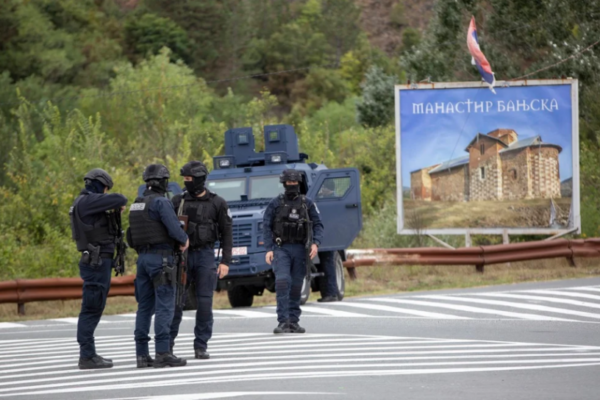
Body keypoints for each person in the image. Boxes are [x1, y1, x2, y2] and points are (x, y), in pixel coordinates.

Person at [128, 164, 189, 368]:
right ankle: (163, 352)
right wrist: (184, 239)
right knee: (164, 305)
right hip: (161, 259)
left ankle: (141, 354)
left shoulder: (137, 203)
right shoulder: (161, 202)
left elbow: (130, 236)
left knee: (144, 307)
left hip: (143, 260)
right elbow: (175, 229)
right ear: (163, 182)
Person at [169, 161, 232, 360]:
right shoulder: (177, 201)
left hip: (205, 255)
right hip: (182, 258)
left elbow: (227, 233)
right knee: (177, 302)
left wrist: (225, 261)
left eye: (189, 179)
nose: (186, 182)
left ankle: (201, 345)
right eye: (185, 179)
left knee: (205, 302)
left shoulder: (217, 203)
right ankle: (167, 345)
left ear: (200, 179)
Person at [70, 168, 128, 370]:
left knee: (94, 306)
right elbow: (120, 198)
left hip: (97, 261)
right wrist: (115, 204)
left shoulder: (85, 202)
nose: (105, 192)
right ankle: (87, 355)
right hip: (96, 262)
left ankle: (89, 354)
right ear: (98, 185)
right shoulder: (88, 201)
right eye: (105, 189)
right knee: (91, 308)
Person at [263, 169, 324, 334]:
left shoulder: (307, 203)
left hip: (300, 249)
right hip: (281, 248)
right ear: (284, 184)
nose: (292, 185)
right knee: (282, 281)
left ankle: (294, 321)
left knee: (296, 285)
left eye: (294, 182)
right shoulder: (276, 203)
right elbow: (266, 225)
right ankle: (283, 321)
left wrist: (316, 244)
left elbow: (318, 224)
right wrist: (268, 249)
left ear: (299, 183)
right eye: (289, 182)